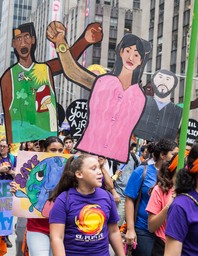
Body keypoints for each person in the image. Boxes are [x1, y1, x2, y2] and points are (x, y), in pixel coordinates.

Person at [46, 21, 151, 163]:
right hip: (88, 154)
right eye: (128, 51)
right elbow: (73, 72)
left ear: (141, 61)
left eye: (137, 55)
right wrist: (60, 42)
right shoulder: (102, 82)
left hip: (116, 160)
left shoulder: (140, 97)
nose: (131, 57)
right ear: (120, 52)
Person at [0, 22, 102, 144]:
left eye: (26, 37)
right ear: (13, 43)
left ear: (33, 40)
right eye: (18, 38)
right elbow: (8, 114)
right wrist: (12, 144)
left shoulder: (45, 69)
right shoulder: (9, 76)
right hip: (22, 142)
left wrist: (85, 41)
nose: (23, 42)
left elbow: (67, 62)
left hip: (48, 140)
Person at [48, 155, 126, 256]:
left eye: (99, 168)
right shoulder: (63, 200)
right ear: (79, 174)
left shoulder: (107, 197)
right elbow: (57, 237)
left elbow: (113, 231)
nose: (99, 172)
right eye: (94, 169)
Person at [10, 136, 64, 256]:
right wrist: (16, 190)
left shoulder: (69, 168)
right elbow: (23, 189)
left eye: (60, 150)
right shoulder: (34, 167)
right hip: (37, 227)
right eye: (53, 149)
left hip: (61, 228)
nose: (57, 153)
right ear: (44, 150)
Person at [124, 138, 177, 256]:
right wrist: (131, 229)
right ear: (163, 155)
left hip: (167, 233)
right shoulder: (141, 172)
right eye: (173, 154)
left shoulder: (176, 175)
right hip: (144, 231)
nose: (178, 158)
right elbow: (129, 200)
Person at [145, 152, 184, 256]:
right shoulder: (160, 189)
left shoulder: (193, 190)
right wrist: (168, 206)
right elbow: (151, 227)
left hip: (186, 248)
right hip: (163, 246)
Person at [0, 138, 16, 249]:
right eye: (0, 146)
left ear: (8, 147)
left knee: (7, 214)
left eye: (4, 146)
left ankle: (6, 237)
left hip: (8, 189)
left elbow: (18, 175)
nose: (1, 148)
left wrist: (10, 172)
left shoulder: (13, 159)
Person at [112, 142, 141, 226]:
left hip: (132, 196)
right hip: (119, 196)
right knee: (117, 224)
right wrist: (113, 191)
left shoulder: (135, 158)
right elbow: (110, 179)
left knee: (130, 224)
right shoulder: (114, 159)